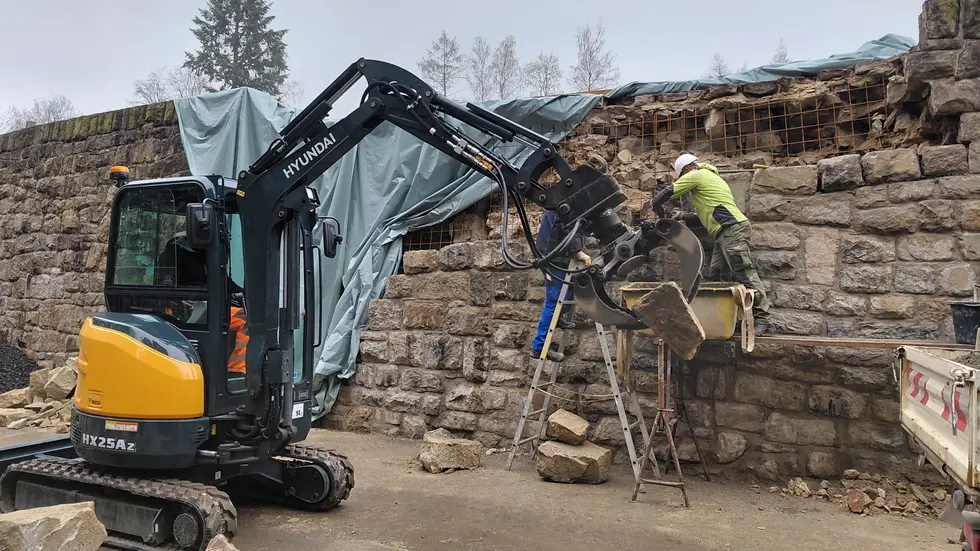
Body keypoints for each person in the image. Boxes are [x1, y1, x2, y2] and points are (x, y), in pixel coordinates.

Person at [650, 153, 774, 334]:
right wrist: (682, 216)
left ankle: (763, 320)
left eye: (683, 177)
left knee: (743, 272)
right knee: (716, 276)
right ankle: (724, 320)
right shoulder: (711, 179)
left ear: (686, 170)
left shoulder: (696, 174)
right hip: (724, 231)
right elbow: (705, 218)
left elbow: (669, 192)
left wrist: (655, 205)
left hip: (731, 229)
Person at [530, 210, 592, 362]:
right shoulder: (564, 205)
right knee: (553, 302)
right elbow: (569, 226)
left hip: (558, 257)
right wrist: (579, 253)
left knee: (569, 292)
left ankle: (558, 318)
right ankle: (540, 347)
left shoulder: (563, 200)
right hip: (552, 258)